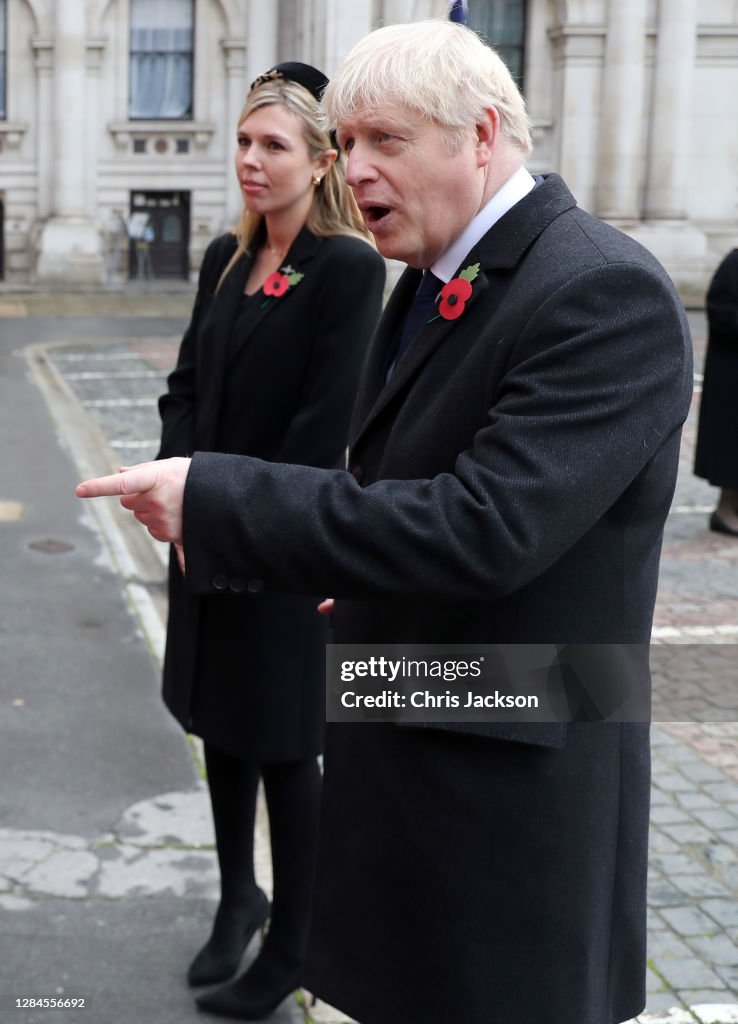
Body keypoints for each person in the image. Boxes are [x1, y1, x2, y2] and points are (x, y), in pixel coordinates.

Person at [77, 20, 693, 1024]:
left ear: (483, 134)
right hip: (416, 728)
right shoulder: (443, 275)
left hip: (512, 781)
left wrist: (221, 496)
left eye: (383, 142)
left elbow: (485, 525)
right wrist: (360, 573)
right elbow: (401, 483)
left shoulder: (598, 288)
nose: (352, 169)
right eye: (346, 142)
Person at [154, 62, 384, 1020]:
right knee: (221, 729)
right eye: (243, 142)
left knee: (287, 750)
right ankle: (236, 897)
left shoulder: (346, 267)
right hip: (201, 540)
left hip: (279, 553)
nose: (250, 161)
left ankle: (294, 939)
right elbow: (184, 392)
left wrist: (219, 516)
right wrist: (170, 492)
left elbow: (318, 433)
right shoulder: (224, 256)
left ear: (323, 159)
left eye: (273, 146)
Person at [694, 247, 738, 535]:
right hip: (732, 380)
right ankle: (725, 512)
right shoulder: (734, 263)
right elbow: (721, 312)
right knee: (731, 452)